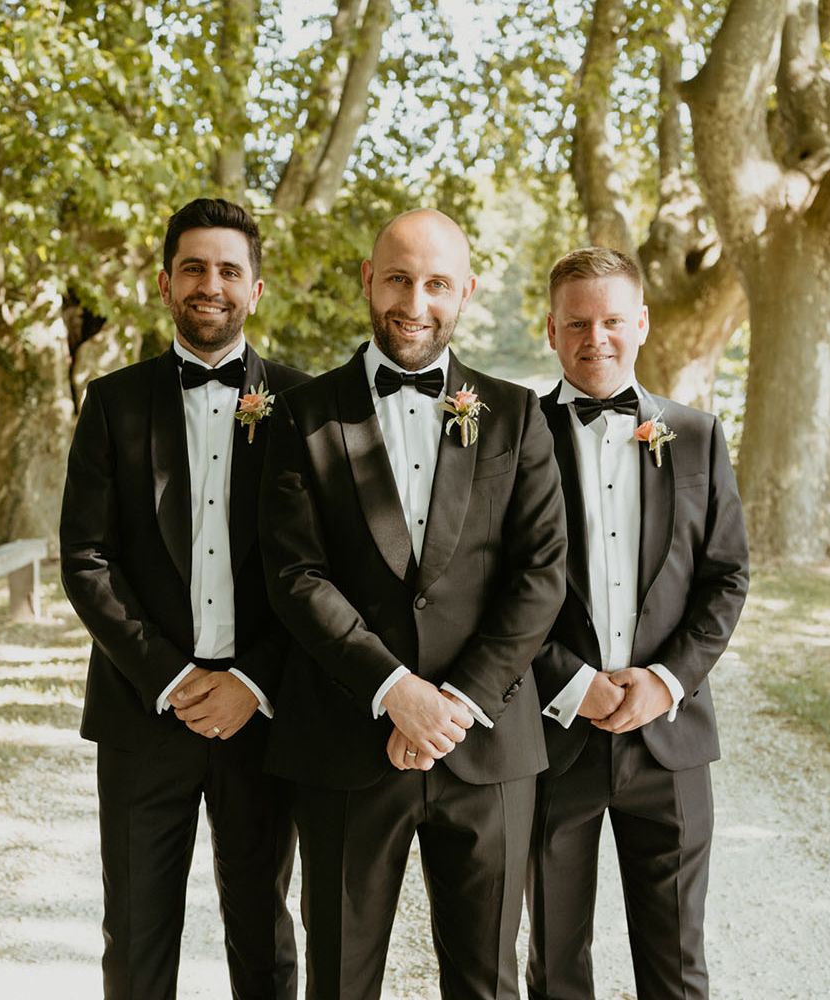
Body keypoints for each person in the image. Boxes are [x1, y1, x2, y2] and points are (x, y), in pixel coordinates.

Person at [258, 208, 567, 1000]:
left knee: (487, 982)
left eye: (436, 284)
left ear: (466, 292)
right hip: (344, 741)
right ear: (369, 280)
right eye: (398, 279)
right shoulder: (303, 414)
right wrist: (396, 692)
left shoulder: (517, 413)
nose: (415, 302)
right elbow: (296, 576)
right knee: (338, 979)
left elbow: (540, 575)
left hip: (487, 745)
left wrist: (453, 704)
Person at [60, 197, 305, 1000]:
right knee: (135, 938)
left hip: (261, 718)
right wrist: (171, 677)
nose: (211, 285)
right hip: (143, 712)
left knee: (264, 934)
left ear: (255, 291)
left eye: (229, 270)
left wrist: (252, 680)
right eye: (193, 268)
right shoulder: (113, 402)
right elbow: (86, 559)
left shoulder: (302, 405)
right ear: (165, 284)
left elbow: (318, 572)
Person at [525, 247, 749, 1000]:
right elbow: (494, 591)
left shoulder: (697, 434)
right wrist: (571, 683)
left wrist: (666, 681)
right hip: (554, 738)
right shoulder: (514, 435)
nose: (596, 338)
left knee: (677, 965)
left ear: (642, 323)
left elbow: (725, 578)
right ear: (551, 330)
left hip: (670, 743)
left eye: (613, 321)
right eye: (577, 323)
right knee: (555, 962)